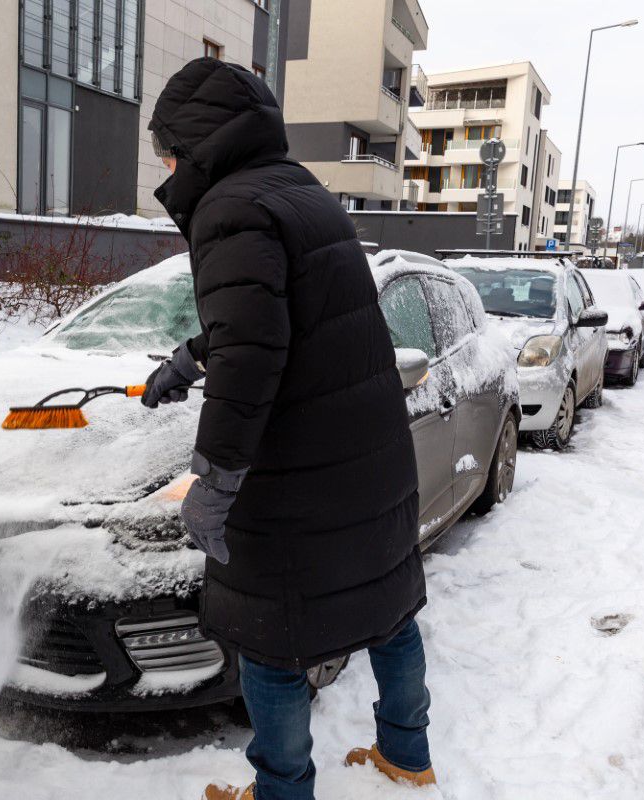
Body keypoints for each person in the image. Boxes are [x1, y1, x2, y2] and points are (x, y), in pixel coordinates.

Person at [139, 58, 436, 800]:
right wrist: (190, 354)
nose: (166, 165)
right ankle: (408, 753)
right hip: (370, 461)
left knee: (270, 644)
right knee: (389, 610)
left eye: (167, 149)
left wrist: (215, 481)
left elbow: (252, 356)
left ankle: (281, 791)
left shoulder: (229, 209)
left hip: (300, 478)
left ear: (198, 143)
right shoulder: (303, 193)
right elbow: (292, 322)